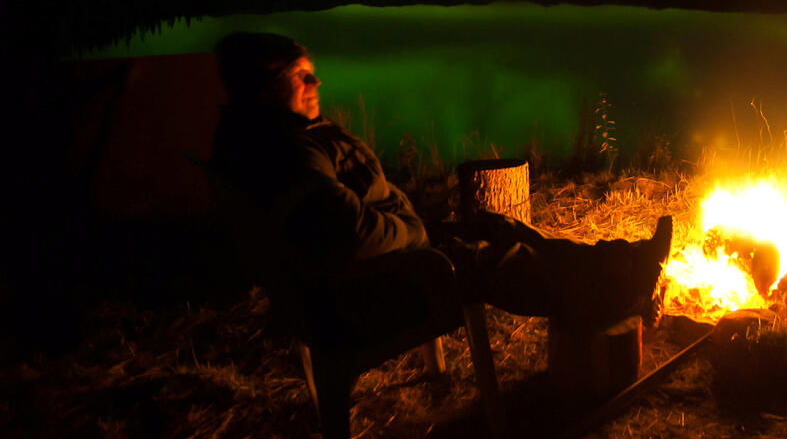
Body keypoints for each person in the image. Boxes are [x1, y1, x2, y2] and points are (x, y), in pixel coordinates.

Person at [208, 31, 671, 348]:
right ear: (266, 89)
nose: (317, 82)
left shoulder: (265, 136)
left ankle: (624, 262)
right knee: (502, 260)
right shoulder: (288, 152)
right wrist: (412, 230)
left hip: (371, 273)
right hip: (370, 293)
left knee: (503, 227)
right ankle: (620, 289)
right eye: (302, 76)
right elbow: (349, 235)